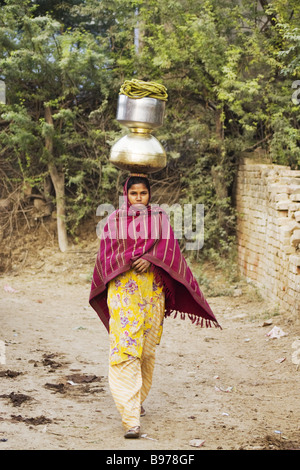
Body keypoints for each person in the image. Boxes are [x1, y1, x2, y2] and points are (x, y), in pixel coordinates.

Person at [89, 174, 221, 439]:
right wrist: (128, 260)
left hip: (151, 293)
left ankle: (135, 399)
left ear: (150, 195)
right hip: (123, 292)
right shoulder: (114, 220)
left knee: (146, 351)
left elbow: (168, 249)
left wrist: (151, 259)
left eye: (143, 194)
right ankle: (130, 420)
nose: (138, 199)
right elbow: (107, 255)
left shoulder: (159, 218)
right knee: (124, 349)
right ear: (126, 195)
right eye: (134, 194)